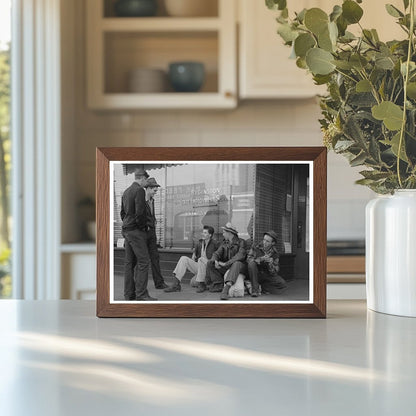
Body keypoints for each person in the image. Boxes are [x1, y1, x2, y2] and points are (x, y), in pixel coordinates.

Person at [120, 168, 156, 301]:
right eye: (146, 180)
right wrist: (143, 227)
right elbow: (140, 212)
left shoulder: (126, 191)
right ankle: (141, 295)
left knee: (129, 263)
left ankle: (129, 294)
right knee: (144, 261)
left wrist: (128, 223)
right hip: (136, 231)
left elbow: (122, 213)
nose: (146, 183)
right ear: (141, 178)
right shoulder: (139, 190)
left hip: (127, 230)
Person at [164, 225, 219, 293]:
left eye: (205, 233)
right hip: (200, 267)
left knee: (201, 261)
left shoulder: (215, 244)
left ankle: (202, 283)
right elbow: (195, 256)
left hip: (209, 268)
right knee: (183, 258)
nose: (203, 234)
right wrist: (194, 254)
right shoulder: (199, 243)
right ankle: (176, 284)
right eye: (203, 232)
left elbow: (217, 257)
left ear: (210, 235)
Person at [206, 222, 247, 300]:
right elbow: (216, 253)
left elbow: (240, 256)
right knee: (210, 263)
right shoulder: (225, 243)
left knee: (237, 263)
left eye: (224, 232)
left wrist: (225, 264)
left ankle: (225, 290)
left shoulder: (242, 242)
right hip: (228, 268)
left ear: (230, 233)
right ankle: (218, 285)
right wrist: (215, 261)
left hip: (240, 268)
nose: (223, 234)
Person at [143, 177, 168, 293]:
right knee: (142, 260)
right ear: (147, 188)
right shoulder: (140, 200)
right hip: (143, 233)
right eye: (154, 189)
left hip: (152, 233)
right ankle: (138, 285)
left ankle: (159, 283)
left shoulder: (153, 200)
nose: (156, 192)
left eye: (157, 190)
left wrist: (154, 220)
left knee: (155, 257)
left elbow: (150, 214)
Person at [247, 230, 287, 297]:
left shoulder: (275, 254)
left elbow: (275, 272)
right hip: (254, 273)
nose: (264, 242)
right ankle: (255, 290)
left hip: (265, 275)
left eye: (267, 241)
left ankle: (263, 287)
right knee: (252, 264)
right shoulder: (255, 247)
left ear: (273, 243)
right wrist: (261, 259)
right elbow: (248, 259)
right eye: (264, 240)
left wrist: (271, 264)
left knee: (282, 283)